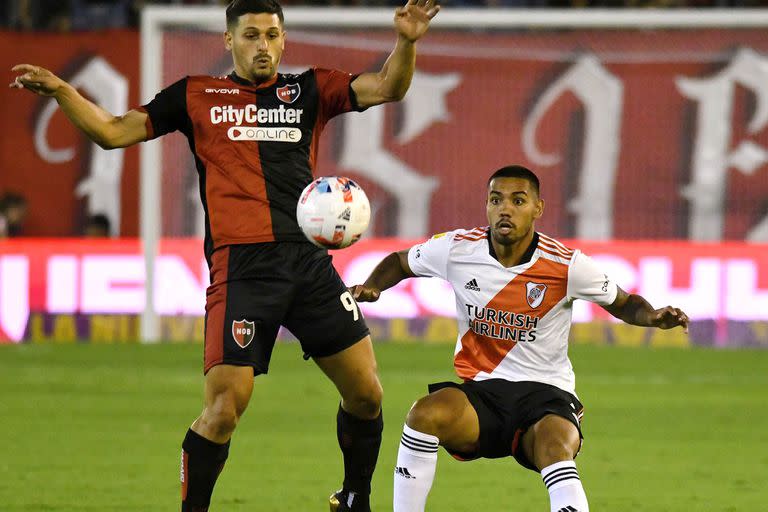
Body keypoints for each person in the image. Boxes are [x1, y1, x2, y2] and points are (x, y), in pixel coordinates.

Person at [10, 0, 440, 510]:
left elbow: (389, 86)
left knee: (368, 394)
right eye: (253, 35)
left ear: (284, 39)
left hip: (309, 267)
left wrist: (407, 42)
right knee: (222, 410)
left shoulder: (308, 90)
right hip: (243, 271)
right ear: (229, 41)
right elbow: (113, 132)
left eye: (273, 35)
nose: (264, 45)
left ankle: (354, 498)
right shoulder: (196, 95)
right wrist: (62, 90)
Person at [350, 165, 690, 512]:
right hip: (482, 395)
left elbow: (623, 303)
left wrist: (651, 316)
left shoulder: (566, 265)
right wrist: (375, 284)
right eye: (496, 200)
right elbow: (400, 262)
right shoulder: (457, 249)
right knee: (424, 415)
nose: (505, 209)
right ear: (486, 206)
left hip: (547, 397)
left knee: (555, 447)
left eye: (518, 200)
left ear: (537, 208)